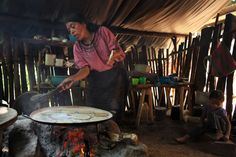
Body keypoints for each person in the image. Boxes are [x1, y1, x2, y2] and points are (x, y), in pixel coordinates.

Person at [58, 13, 129, 121]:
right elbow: (85, 70)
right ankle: (96, 135)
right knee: (93, 111)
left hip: (115, 77)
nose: (71, 32)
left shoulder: (102, 32)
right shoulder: (77, 47)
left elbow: (116, 50)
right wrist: (72, 78)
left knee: (113, 112)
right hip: (95, 80)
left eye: (73, 26)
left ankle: (113, 135)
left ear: (83, 23)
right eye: (69, 30)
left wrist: (112, 56)